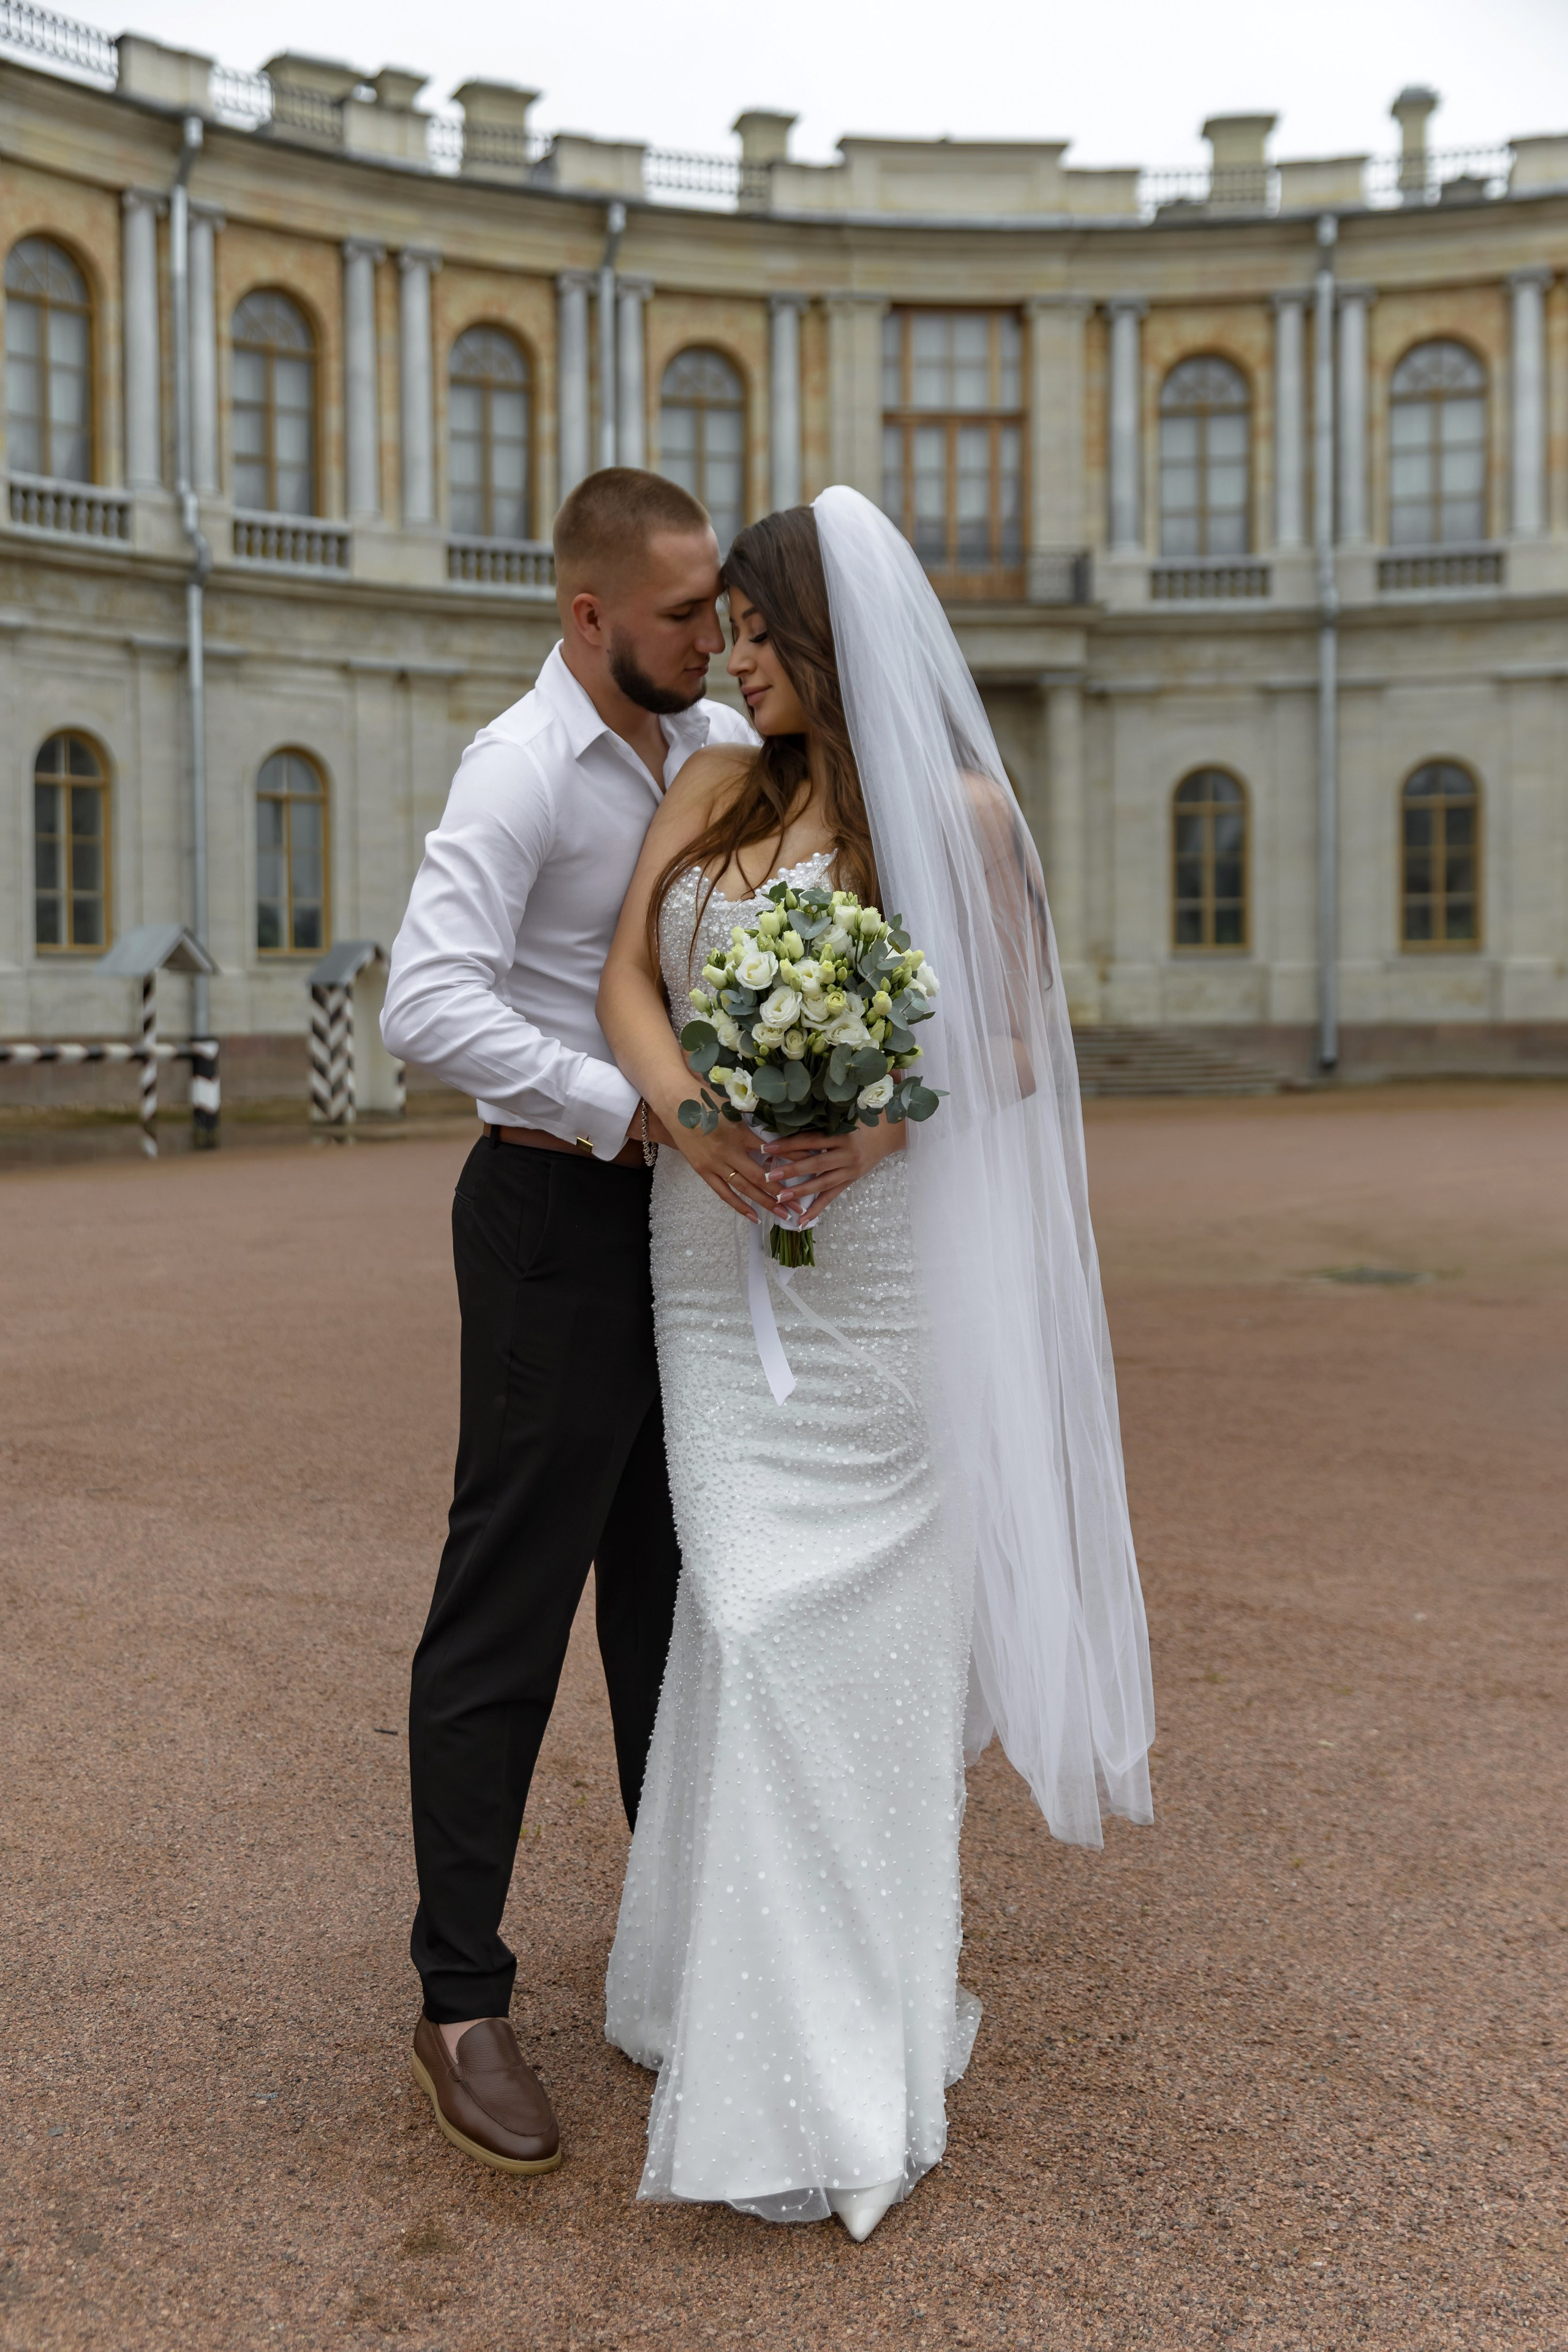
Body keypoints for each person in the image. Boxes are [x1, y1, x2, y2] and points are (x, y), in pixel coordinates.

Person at [597, 488, 1155, 2240]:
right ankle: (712, 1994)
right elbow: (628, 981)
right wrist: (696, 1122)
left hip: (881, 1279)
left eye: (756, 637)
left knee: (845, 1654)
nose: (731, 664)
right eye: (726, 636)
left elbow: (1013, 1042)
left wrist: (877, 1132)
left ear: (829, 641)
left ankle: (847, 2051)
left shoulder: (963, 817)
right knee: (747, 1616)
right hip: (713, 1255)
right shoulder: (701, 791)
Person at [379, 469, 759, 2179]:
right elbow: (426, 996)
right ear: (590, 617)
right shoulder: (523, 763)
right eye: (687, 612)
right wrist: (622, 1108)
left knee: (673, 1600)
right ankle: (459, 1999)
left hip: (678, 1224)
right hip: (551, 1216)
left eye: (719, 606)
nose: (717, 633)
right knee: (507, 1605)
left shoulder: (704, 739)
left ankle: (678, 1956)